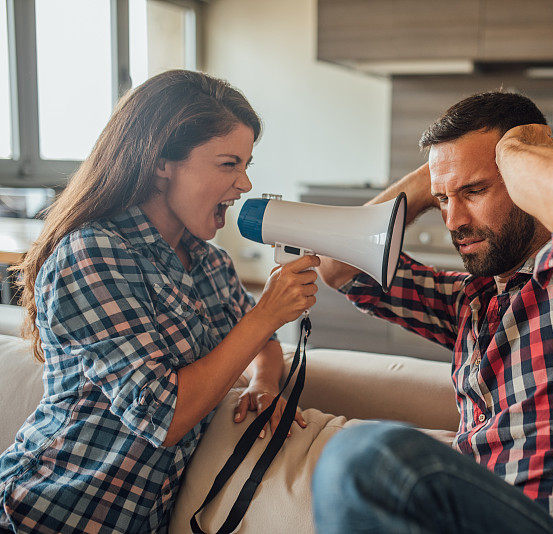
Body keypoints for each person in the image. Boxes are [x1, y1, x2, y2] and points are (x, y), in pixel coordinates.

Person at [312, 91, 553, 533]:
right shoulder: (469, 302)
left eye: (474, 191)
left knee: (366, 454)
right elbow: (337, 264)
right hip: (489, 518)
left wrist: (516, 147)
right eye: (442, 202)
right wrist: (442, 173)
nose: (453, 221)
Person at [0, 70, 318, 533]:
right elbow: (162, 417)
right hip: (48, 512)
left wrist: (265, 385)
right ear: (160, 162)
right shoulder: (92, 253)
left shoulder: (210, 264)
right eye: (229, 164)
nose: (245, 184)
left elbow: (261, 341)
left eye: (247, 165)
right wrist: (268, 312)